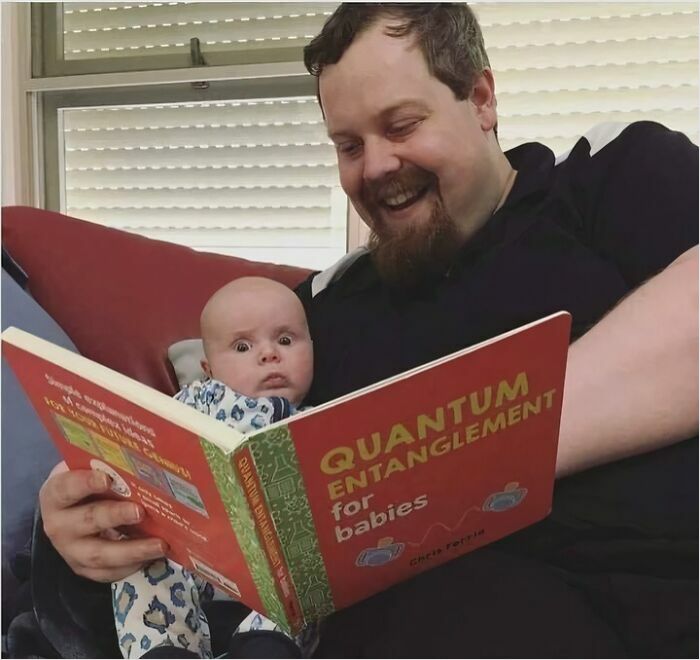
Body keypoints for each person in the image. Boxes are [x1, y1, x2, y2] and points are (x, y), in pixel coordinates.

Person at [37, 3, 698, 657]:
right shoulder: (317, 312)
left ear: (482, 98)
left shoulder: (607, 177)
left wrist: (466, 458)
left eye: (402, 125)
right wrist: (82, 522)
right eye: (349, 146)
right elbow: (223, 477)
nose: (376, 166)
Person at [112, 276, 314, 659]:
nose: (270, 354)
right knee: (143, 564)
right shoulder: (195, 401)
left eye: (286, 341)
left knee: (309, 572)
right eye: (242, 346)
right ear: (209, 367)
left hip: (270, 570)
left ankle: (264, 646)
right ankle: (164, 647)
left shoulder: (319, 419)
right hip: (188, 549)